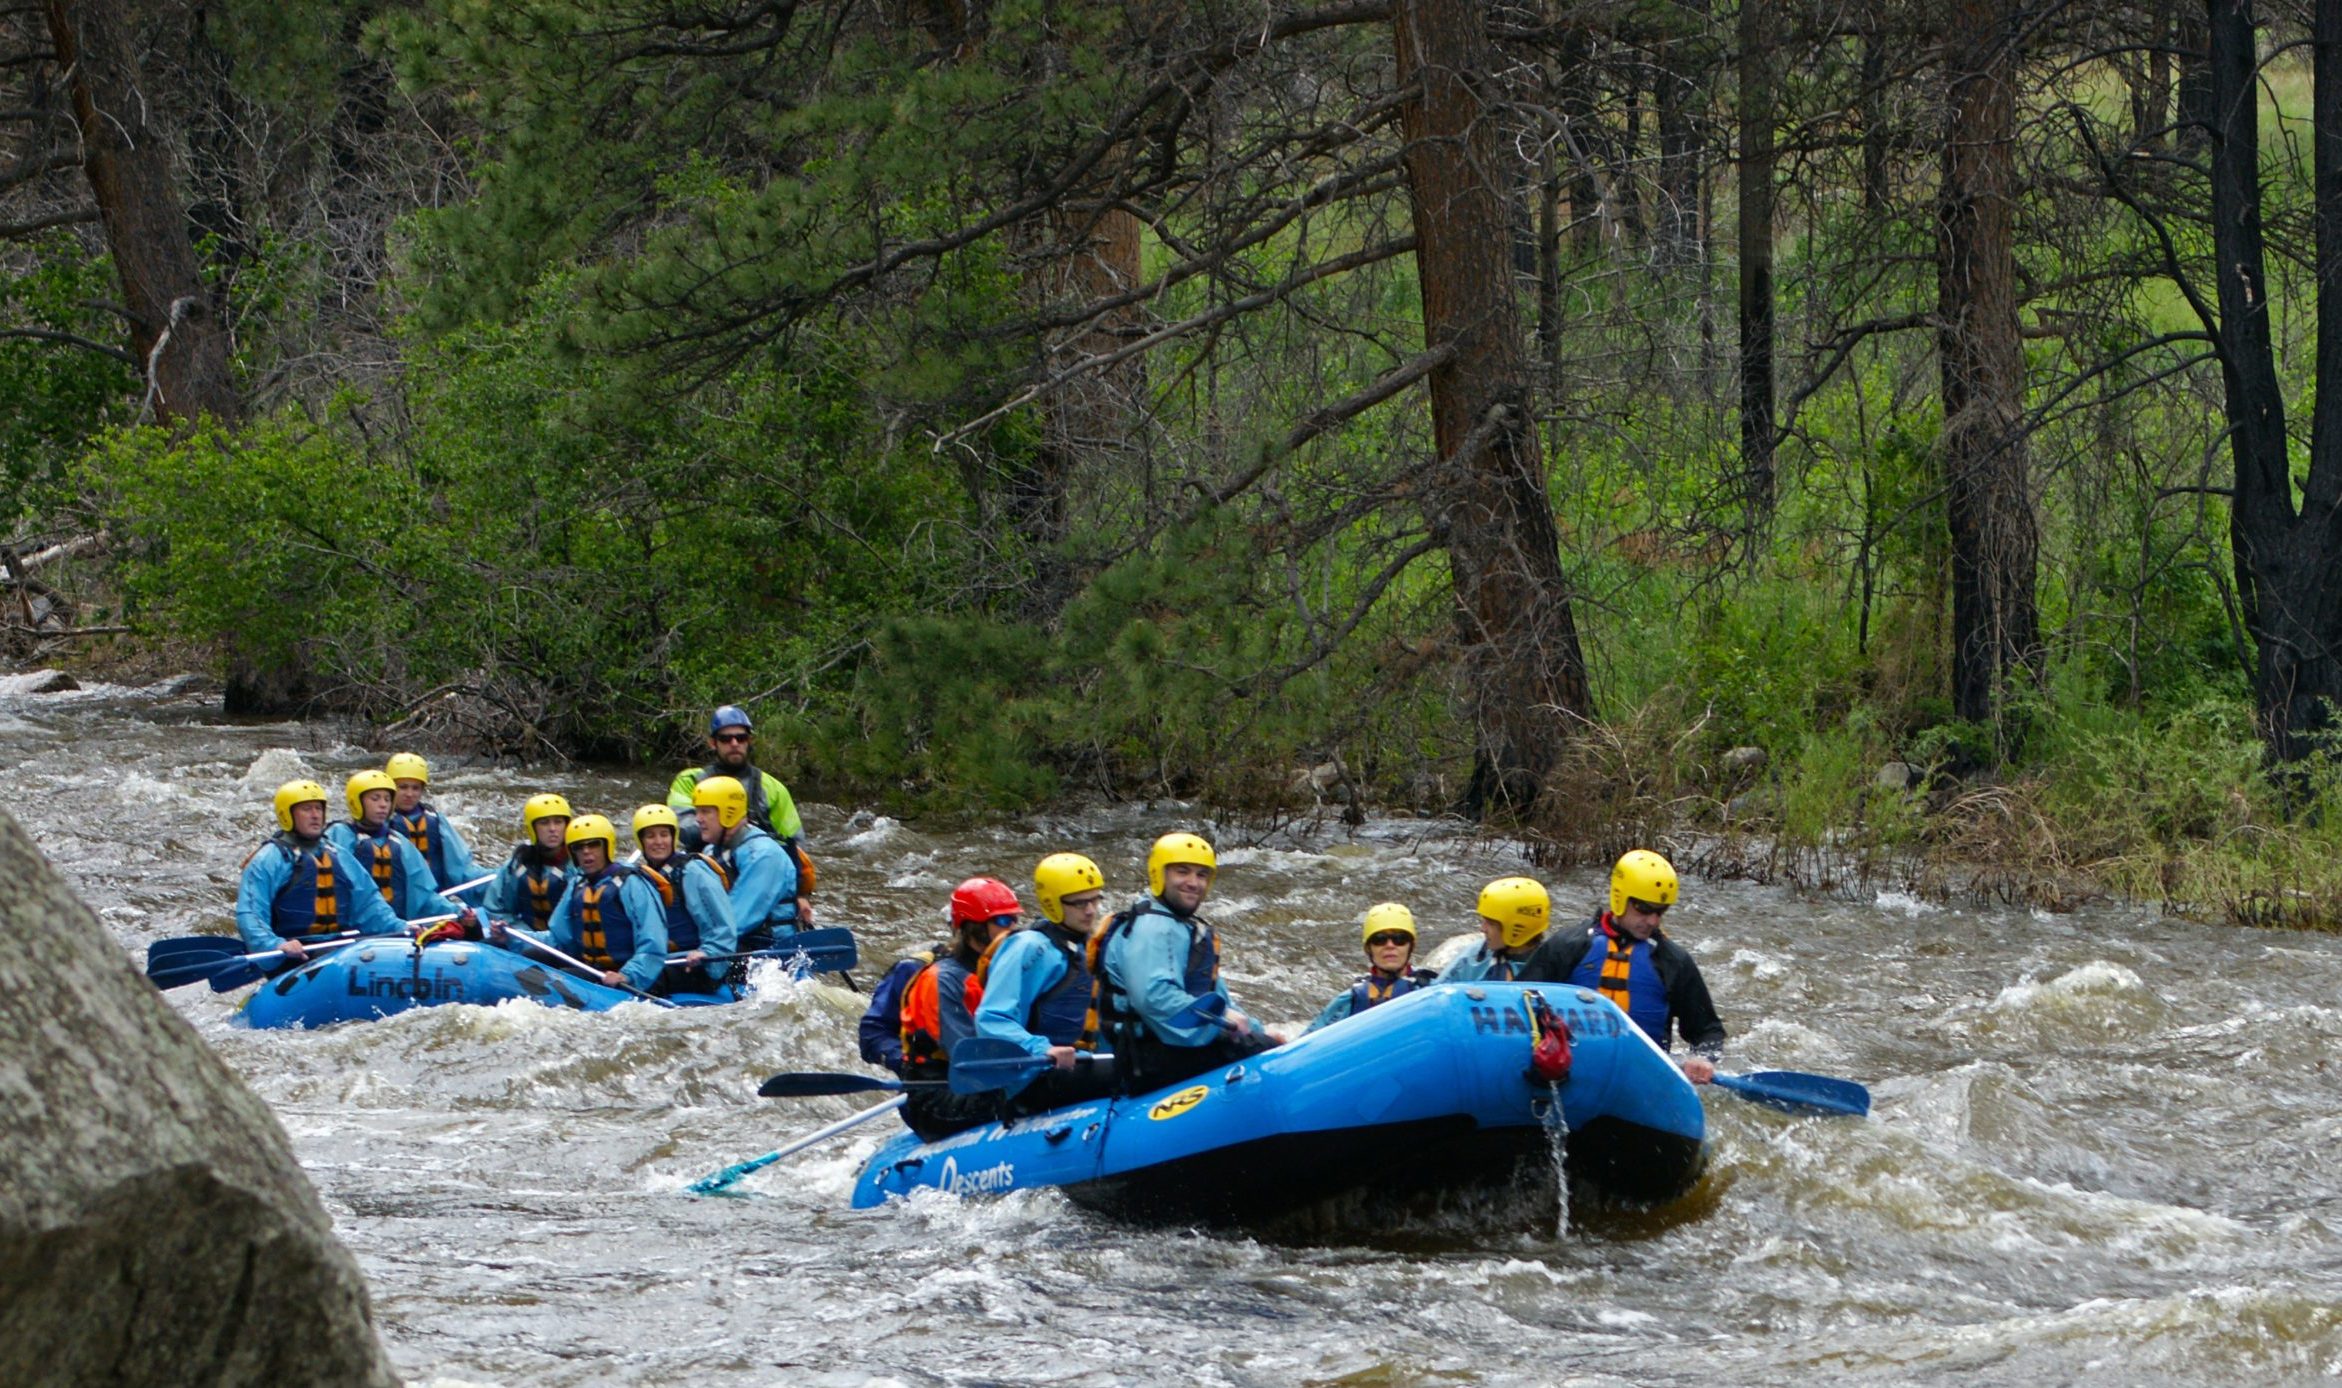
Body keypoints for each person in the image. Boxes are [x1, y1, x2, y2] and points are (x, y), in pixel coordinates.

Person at [1081, 832, 1278, 1092]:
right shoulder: (1152, 928)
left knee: (1268, 1043)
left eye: (1201, 875)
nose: (1193, 882)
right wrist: (1223, 1017)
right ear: (1159, 875)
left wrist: (1256, 1030)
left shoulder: (1181, 927)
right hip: (1150, 1058)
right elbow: (1153, 996)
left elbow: (1217, 996)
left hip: (1168, 1050)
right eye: (1182, 872)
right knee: (1269, 1057)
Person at [1521, 850, 1725, 1083]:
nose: (1653, 921)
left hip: (1639, 1080)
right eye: (1644, 909)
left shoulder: (1672, 961)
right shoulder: (1569, 946)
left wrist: (1703, 1058)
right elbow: (1520, 1003)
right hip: (1568, 1074)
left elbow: (1708, 1030)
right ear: (1620, 897)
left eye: (1660, 911)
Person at [970, 853, 1116, 1110]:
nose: (1090, 910)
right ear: (1053, 903)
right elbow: (991, 1018)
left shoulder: (1086, 947)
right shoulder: (1029, 948)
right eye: (1079, 903)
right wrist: (1041, 1049)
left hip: (1080, 1063)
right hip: (1035, 1075)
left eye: (1095, 900)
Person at [897, 876, 1024, 1140]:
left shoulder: (1004, 968)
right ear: (973, 927)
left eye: (1014, 919)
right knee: (1027, 1096)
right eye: (1002, 921)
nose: (1012, 928)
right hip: (939, 1093)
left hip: (981, 1081)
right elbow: (969, 1058)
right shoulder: (942, 981)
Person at [666, 704, 814, 925]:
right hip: (707, 870)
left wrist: (801, 895)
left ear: (749, 741)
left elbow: (794, 845)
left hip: (755, 875)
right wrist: (733, 828)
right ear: (712, 742)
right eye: (726, 739)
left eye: (741, 738)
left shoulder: (772, 788)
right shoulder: (690, 781)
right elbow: (685, 830)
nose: (734, 744)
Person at [234, 778, 413, 959]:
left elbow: (369, 904)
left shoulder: (338, 854)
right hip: (295, 953)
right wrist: (277, 944)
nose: (315, 815)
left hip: (339, 948)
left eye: (318, 809)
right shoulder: (270, 859)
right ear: (287, 814)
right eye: (307, 809)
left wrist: (400, 927)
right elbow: (250, 914)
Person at [511, 814, 669, 993]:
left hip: (623, 973)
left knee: (565, 978)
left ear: (606, 847)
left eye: (594, 844)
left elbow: (653, 941)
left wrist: (628, 975)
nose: (586, 852)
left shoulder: (631, 883)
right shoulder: (578, 884)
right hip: (591, 967)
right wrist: (512, 937)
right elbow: (558, 939)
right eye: (579, 847)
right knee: (532, 956)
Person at [326, 770, 475, 927]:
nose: (383, 804)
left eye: (387, 799)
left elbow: (424, 896)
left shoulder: (399, 843)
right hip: (354, 932)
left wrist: (458, 912)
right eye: (375, 799)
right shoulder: (339, 835)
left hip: (398, 930)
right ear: (357, 802)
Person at [629, 804, 738, 997]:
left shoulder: (693, 872)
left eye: (664, 834)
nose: (658, 841)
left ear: (673, 837)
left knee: (649, 978)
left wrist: (708, 953)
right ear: (641, 841)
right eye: (651, 836)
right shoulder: (641, 877)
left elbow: (722, 925)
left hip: (695, 964)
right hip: (661, 959)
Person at [690, 775, 801, 953]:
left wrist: (694, 943)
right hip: (733, 946)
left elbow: (736, 920)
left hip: (769, 955)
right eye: (697, 811)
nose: (698, 819)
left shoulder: (764, 856)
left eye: (705, 811)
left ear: (729, 812)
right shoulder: (712, 851)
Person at [1304, 903, 1437, 1033]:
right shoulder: (1349, 1000)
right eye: (1380, 939)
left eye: (1399, 939)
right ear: (1368, 948)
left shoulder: (1432, 988)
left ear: (1411, 946)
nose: (1390, 945)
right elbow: (1307, 1044)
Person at [384, 752, 484, 893]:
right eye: (403, 787)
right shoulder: (379, 824)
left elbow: (461, 867)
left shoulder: (435, 821)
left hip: (435, 897)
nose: (409, 794)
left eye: (415, 788)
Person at [483, 793, 574, 933]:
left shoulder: (579, 865)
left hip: (565, 944)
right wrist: (522, 934)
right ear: (533, 828)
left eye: (558, 822)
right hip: (527, 939)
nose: (552, 829)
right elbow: (496, 908)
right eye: (544, 823)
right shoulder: (520, 863)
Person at [1438, 876, 1551, 983]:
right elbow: (1438, 991)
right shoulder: (1475, 958)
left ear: (1517, 928)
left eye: (1491, 923)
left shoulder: (1555, 964)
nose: (1482, 929)